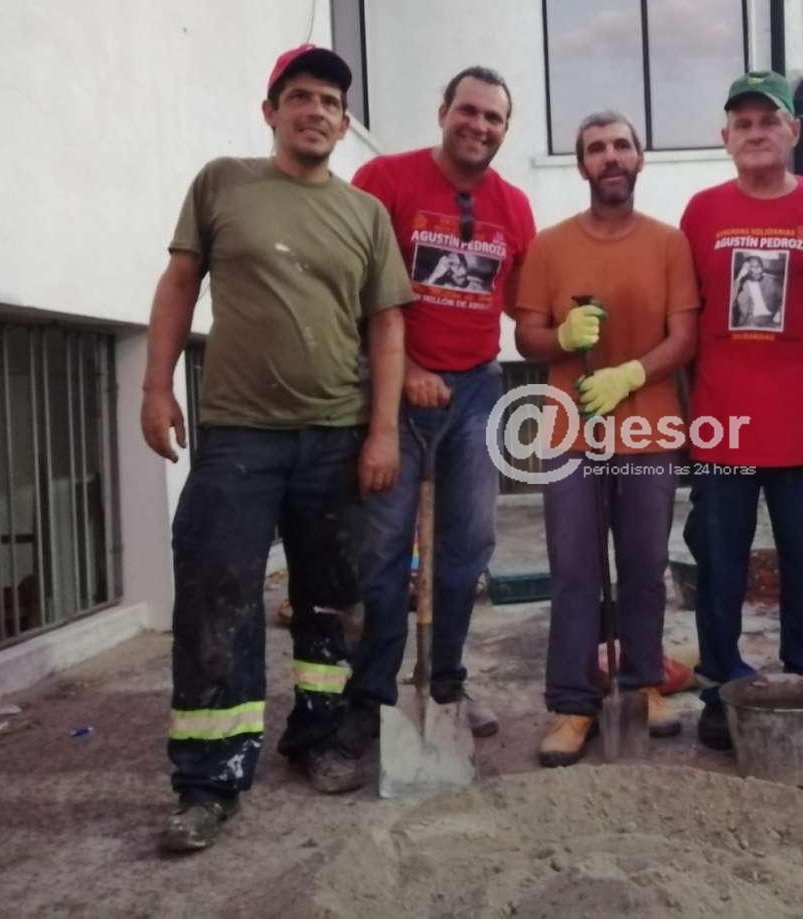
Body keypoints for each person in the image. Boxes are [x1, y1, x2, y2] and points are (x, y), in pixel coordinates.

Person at [142, 45, 411, 852]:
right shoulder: (223, 184)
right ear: (272, 111)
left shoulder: (365, 214)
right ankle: (210, 777)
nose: (315, 111)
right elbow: (179, 283)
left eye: (330, 101)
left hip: (336, 435)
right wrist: (156, 386)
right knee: (217, 594)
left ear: (344, 121)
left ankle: (317, 734)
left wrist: (383, 429)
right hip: (239, 436)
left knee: (330, 598)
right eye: (300, 97)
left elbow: (386, 326)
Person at [344, 66, 535, 748]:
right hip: (391, 388)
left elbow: (524, 305)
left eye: (493, 118)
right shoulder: (384, 181)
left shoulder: (514, 206)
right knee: (382, 550)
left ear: (505, 129)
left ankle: (445, 683)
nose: (479, 126)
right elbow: (352, 293)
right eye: (469, 111)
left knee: (469, 545)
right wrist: (405, 372)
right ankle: (371, 695)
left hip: (477, 390)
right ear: (443, 111)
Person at [514, 109, 698, 766]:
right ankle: (573, 703)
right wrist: (561, 337)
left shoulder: (669, 243)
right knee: (574, 569)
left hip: (649, 429)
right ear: (582, 164)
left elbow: (685, 336)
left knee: (644, 565)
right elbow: (526, 334)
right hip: (570, 433)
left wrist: (631, 374)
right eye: (597, 148)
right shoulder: (550, 246)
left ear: (639, 158)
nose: (610, 156)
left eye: (621, 144)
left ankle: (642, 682)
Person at [679, 71, 803, 752]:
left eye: (769, 121)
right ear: (725, 137)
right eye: (743, 123)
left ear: (794, 132)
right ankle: (721, 691)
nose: (756, 133)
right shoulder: (701, 212)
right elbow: (686, 318)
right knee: (719, 569)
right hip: (723, 429)